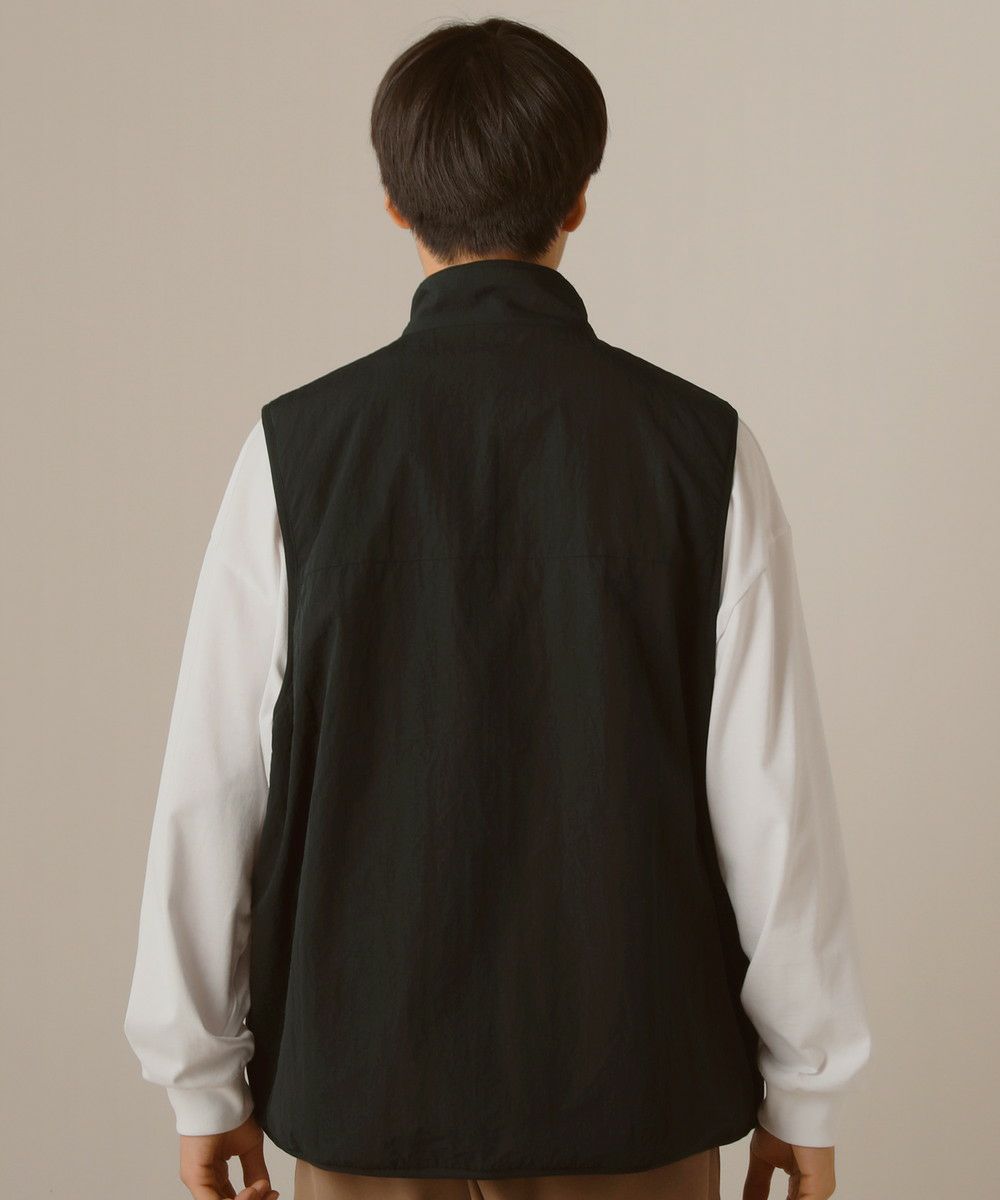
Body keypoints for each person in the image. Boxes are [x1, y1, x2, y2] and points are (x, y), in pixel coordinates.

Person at [124, 16, 872, 1200]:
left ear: (393, 204)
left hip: (366, 1096)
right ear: (578, 198)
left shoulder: (294, 454)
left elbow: (212, 797)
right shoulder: (700, 449)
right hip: (632, 1097)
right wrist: (805, 1091)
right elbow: (772, 804)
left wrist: (200, 1082)